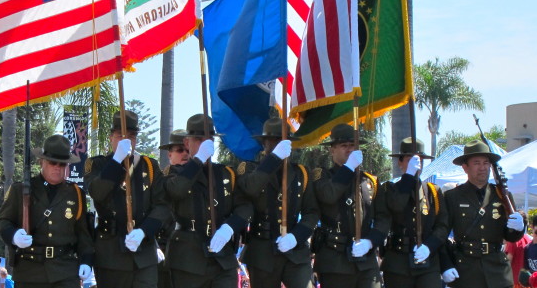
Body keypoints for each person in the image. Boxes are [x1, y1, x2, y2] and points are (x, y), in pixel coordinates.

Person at [162, 114, 252, 288]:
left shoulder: (226, 173)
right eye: (199, 139)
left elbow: (245, 206)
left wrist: (229, 227)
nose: (205, 143)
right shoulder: (175, 173)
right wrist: (198, 160)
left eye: (209, 138)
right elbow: (176, 190)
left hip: (222, 258)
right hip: (187, 259)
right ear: (187, 143)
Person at [84, 110, 171, 288]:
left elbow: (162, 206)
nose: (127, 140)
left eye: (131, 136)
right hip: (110, 253)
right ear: (111, 137)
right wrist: (116, 161)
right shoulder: (98, 164)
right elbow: (97, 192)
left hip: (144, 252)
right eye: (120, 135)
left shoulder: (149, 166)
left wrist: (144, 231)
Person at [0, 134, 94, 288]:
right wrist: (13, 236)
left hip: (65, 270)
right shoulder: (21, 190)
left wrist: (87, 261)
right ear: (42, 161)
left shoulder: (76, 193)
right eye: (53, 162)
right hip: (30, 270)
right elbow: (3, 222)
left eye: (62, 164)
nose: (57, 167)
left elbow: (83, 234)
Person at [237, 117, 319, 288]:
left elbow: (311, 212)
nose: (276, 144)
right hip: (262, 250)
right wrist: (274, 158)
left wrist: (296, 237)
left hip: (295, 250)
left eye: (281, 140)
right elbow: (250, 188)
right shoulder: (250, 169)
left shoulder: (301, 173)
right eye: (272, 140)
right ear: (264, 143)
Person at [311, 124, 390, 288]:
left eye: (352, 146)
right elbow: (329, 195)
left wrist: (370, 242)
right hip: (334, 261)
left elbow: (383, 219)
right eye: (344, 146)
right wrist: (348, 168)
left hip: (366, 262)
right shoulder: (322, 176)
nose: (349, 149)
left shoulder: (370, 181)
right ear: (332, 150)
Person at [444, 140, 525, 288]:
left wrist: (520, 227)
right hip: (466, 270)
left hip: (497, 269)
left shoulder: (502, 194)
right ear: (465, 167)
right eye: (476, 163)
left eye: (486, 163)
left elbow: (511, 236)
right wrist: (446, 265)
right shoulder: (453, 197)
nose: (482, 168)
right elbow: (441, 234)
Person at [380, 137, 451, 287]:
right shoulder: (389, 188)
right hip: (397, 262)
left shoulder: (433, 191)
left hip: (428, 262)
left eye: (419, 160)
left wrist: (429, 246)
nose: (416, 163)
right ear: (400, 162)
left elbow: (443, 225)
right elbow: (396, 205)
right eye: (409, 159)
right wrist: (408, 177)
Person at [156, 129, 189, 288]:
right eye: (180, 150)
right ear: (170, 155)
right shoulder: (164, 179)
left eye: (188, 150)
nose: (185, 154)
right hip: (166, 249)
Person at [504, 211, 532, 288]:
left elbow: (508, 261)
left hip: (514, 282)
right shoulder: (529, 239)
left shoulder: (513, 240)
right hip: (526, 281)